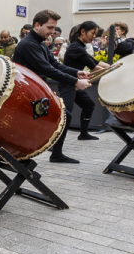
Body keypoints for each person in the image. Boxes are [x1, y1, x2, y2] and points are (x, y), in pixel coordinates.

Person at [13, 10, 91, 163]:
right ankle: (55, 154)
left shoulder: (39, 43)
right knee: (63, 115)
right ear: (37, 25)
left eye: (54, 28)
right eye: (49, 27)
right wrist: (76, 82)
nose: (53, 31)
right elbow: (47, 69)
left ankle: (55, 153)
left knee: (63, 116)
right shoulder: (29, 44)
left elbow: (54, 64)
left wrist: (77, 73)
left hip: (33, 90)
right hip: (24, 92)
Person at [63, 21, 108, 141]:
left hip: (75, 82)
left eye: (96, 34)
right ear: (83, 32)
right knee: (66, 114)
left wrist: (113, 66)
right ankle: (55, 144)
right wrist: (112, 71)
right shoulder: (76, 47)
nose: (94, 36)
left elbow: (95, 61)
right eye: (92, 33)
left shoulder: (80, 46)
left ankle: (83, 134)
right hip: (67, 83)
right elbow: (94, 67)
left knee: (89, 105)